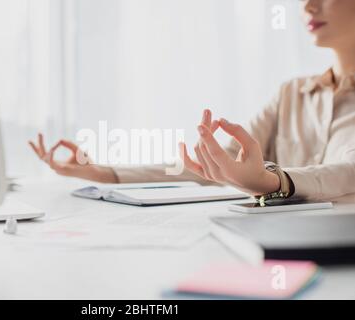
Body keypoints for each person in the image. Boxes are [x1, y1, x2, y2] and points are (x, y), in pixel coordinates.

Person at [29, 0, 355, 201]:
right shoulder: (291, 93)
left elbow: (347, 172)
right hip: (279, 249)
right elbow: (211, 168)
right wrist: (104, 173)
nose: (309, 5)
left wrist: (273, 181)